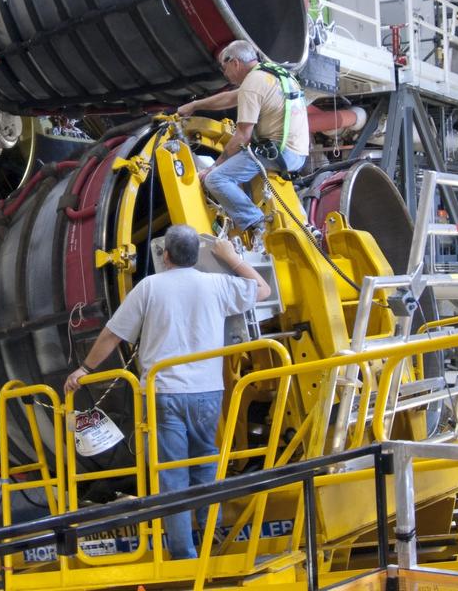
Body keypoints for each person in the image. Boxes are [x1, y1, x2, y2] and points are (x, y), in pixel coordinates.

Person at [63, 225, 272, 560]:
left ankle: (182, 551)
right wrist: (231, 259)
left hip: (164, 392)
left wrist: (85, 369)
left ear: (166, 254)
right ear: (196, 254)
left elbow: (112, 334)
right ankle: (210, 539)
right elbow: (261, 290)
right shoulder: (216, 285)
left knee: (172, 473)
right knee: (205, 464)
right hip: (207, 392)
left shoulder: (149, 288)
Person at [177, 40, 309, 236]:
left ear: (235, 63)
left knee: (216, 180)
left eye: (224, 68)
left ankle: (256, 223)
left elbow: (242, 136)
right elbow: (229, 98)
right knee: (236, 175)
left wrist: (215, 166)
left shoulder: (252, 84)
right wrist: (194, 106)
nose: (225, 74)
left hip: (279, 154)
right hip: (298, 154)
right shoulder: (271, 74)